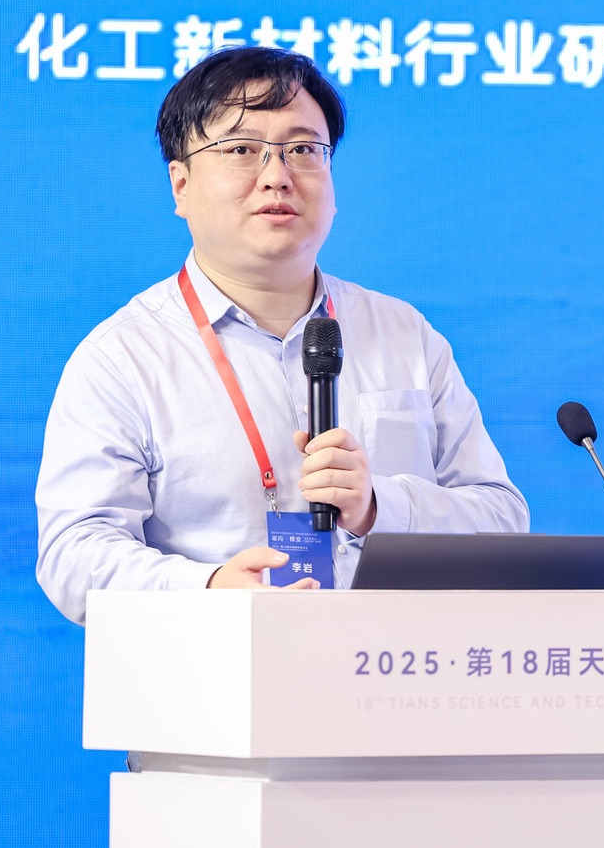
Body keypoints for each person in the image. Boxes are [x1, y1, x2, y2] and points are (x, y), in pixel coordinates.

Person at [35, 47, 528, 624]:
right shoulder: (123, 358)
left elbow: (502, 519)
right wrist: (207, 590)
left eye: (303, 150)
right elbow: (73, 555)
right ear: (181, 185)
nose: (277, 176)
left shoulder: (404, 335)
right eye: (242, 150)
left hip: (394, 667)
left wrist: (379, 506)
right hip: (216, 668)